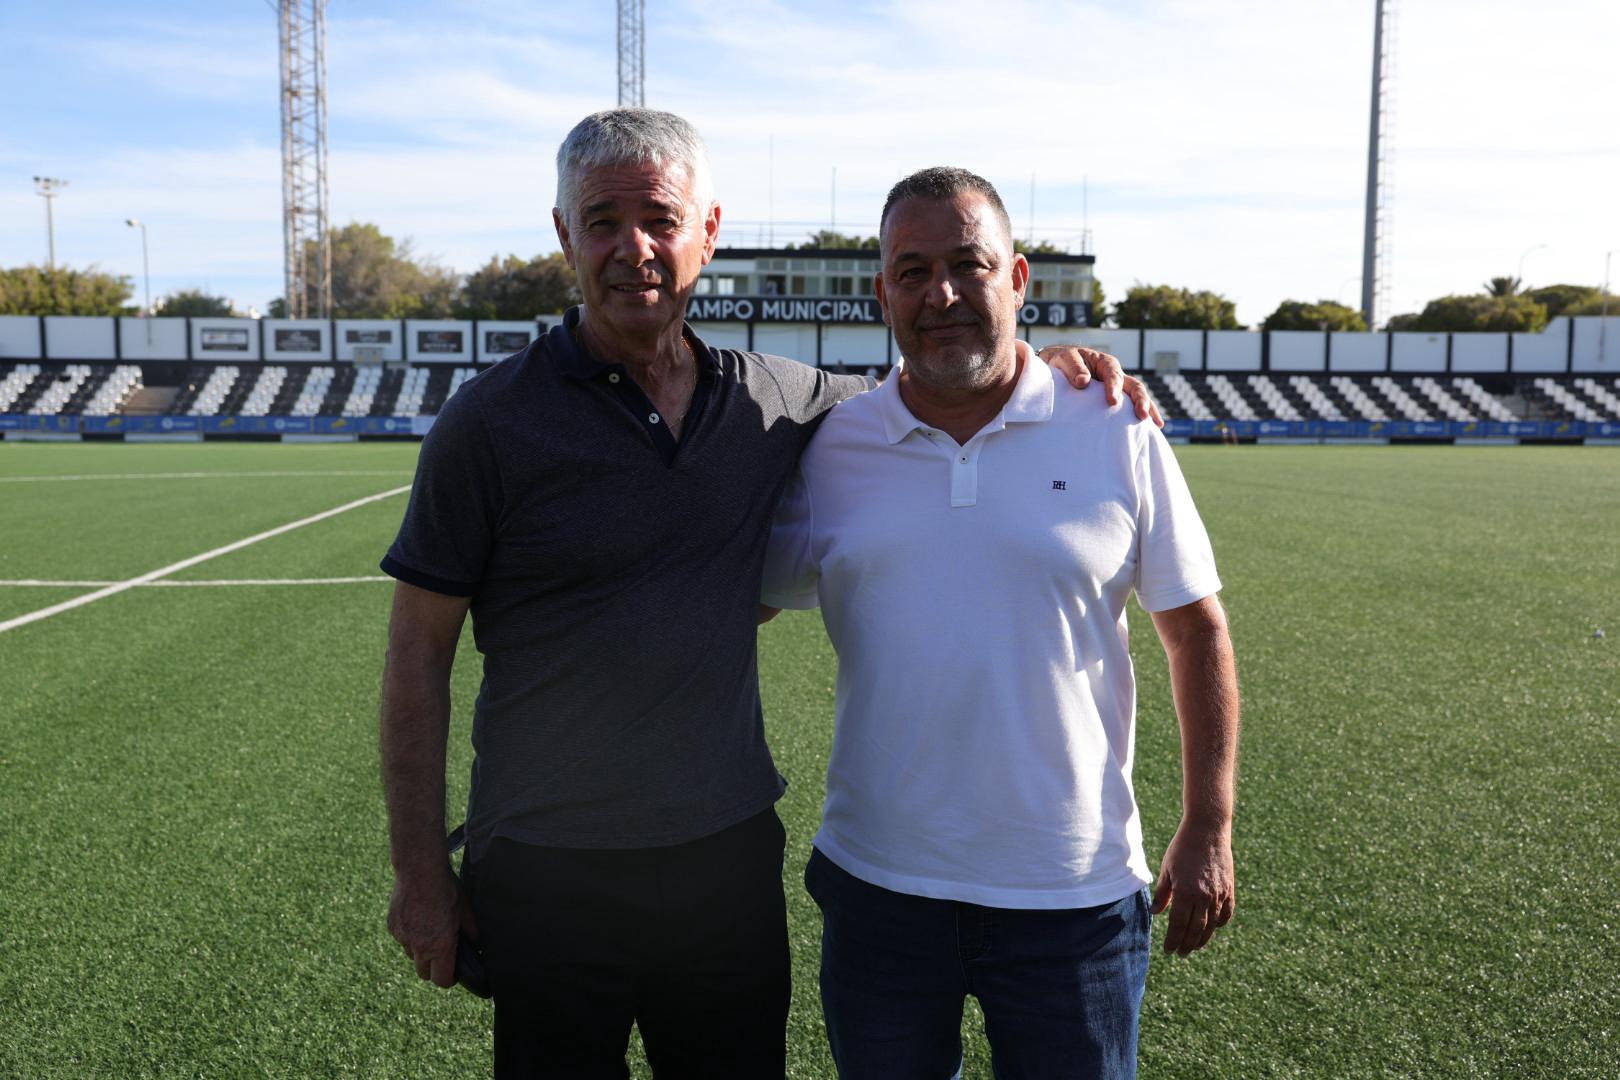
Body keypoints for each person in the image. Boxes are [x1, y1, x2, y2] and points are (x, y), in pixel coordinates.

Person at [378, 109, 1156, 1080]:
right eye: (603, 221)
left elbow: (936, 386)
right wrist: (420, 873)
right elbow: (417, 652)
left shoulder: (775, 400)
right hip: (543, 864)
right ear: (564, 234)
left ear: (707, 233)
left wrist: (1053, 370)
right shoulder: (489, 422)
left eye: (660, 220)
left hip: (723, 865)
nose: (633, 248)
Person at [760, 167, 1240, 1080]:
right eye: (912, 272)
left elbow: (1196, 631)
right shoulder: (835, 447)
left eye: (967, 265)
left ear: (1017, 280)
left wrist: (1209, 824)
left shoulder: (1114, 424)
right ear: (883, 296)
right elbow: (734, 600)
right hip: (880, 889)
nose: (940, 294)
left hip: (1074, 893)